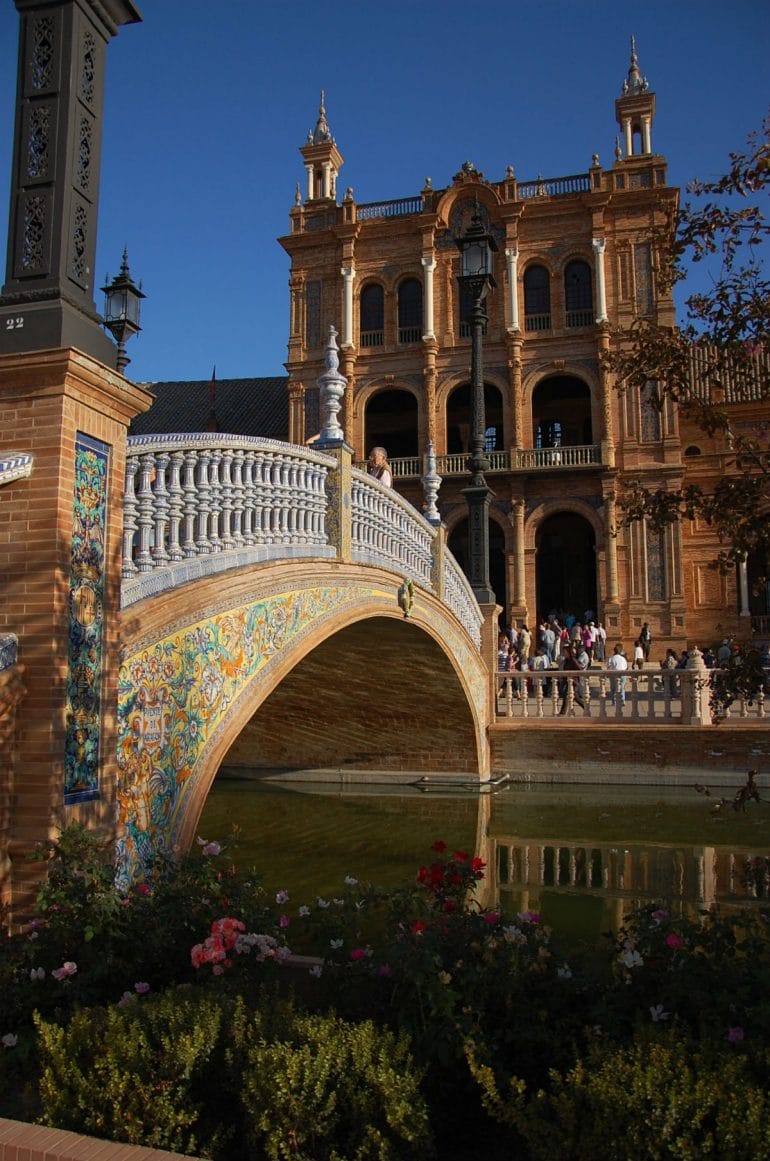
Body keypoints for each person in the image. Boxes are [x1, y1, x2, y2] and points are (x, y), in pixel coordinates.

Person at [606, 642, 628, 707]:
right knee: (622, 688)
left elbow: (609, 667)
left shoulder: (611, 658)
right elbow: (626, 667)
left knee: (613, 688)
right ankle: (623, 700)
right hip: (623, 674)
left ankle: (614, 701)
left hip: (614, 674)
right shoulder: (623, 658)